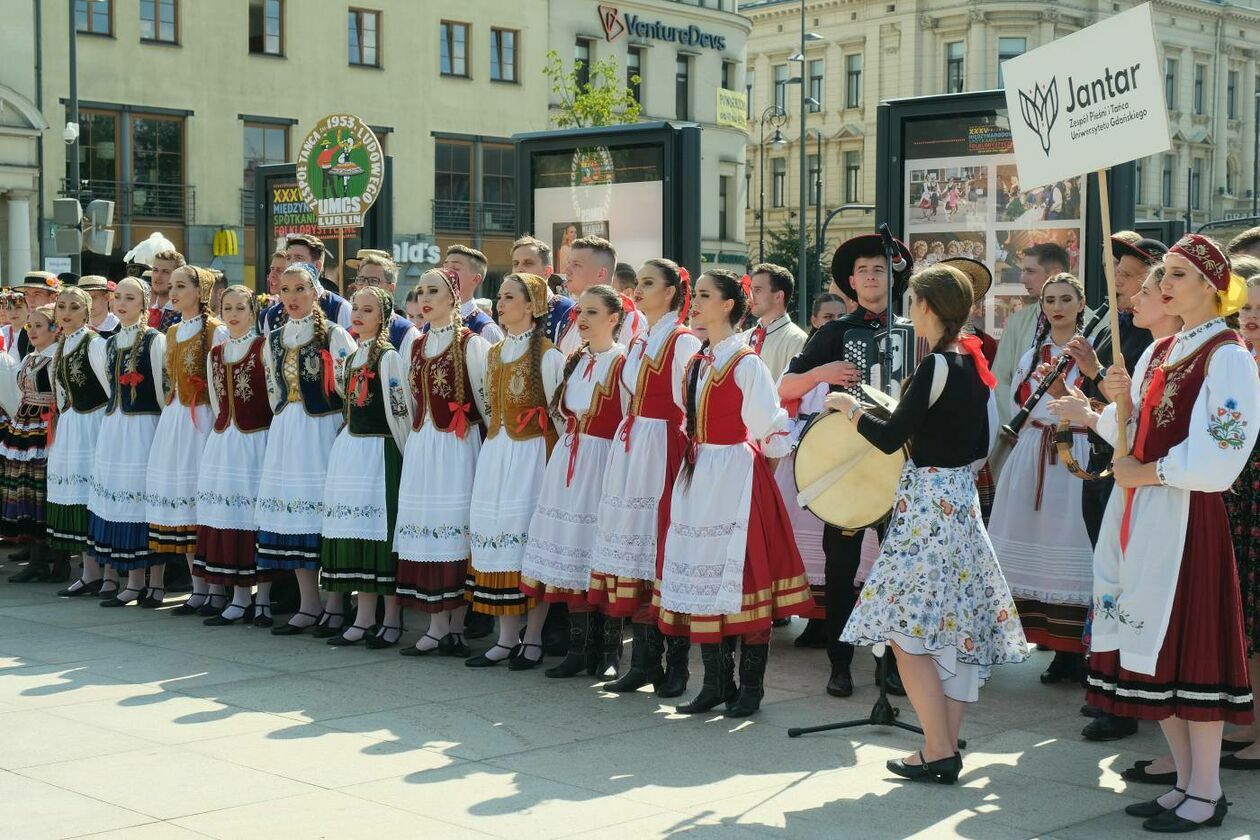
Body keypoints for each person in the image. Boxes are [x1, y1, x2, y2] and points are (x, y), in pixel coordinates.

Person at [1065, 235, 1258, 831]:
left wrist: (1147, 473)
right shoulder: (1161, 351)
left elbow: (1225, 450)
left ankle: (1206, 791)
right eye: (1164, 272)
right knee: (1152, 652)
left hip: (1185, 518)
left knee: (1189, 655)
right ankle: (1184, 781)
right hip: (1139, 513)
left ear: (1212, 286)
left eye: (1180, 273)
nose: (1166, 282)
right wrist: (1101, 413)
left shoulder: (1227, 353)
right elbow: (1136, 437)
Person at [829, 263, 1027, 784]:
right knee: (954, 629)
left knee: (904, 629)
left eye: (912, 302)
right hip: (957, 502)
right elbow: (978, 444)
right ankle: (940, 748)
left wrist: (850, 409)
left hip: (927, 506)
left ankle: (939, 748)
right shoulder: (970, 361)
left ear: (926, 307)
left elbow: (892, 436)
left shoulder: (938, 364)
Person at [656, 269, 812, 718]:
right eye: (696, 295)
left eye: (705, 296)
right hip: (699, 473)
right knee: (703, 573)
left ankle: (750, 688)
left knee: (742, 578)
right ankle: (715, 683)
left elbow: (772, 432)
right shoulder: (697, 362)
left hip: (736, 479)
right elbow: (688, 424)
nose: (696, 303)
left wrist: (754, 482)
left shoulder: (746, 363)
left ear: (728, 305)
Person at [780, 233, 915, 698]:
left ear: (893, 275)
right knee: (841, 568)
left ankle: (894, 663)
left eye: (880, 269)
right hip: (847, 465)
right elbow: (785, 388)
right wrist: (824, 374)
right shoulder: (834, 332)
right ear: (850, 282)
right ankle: (839, 663)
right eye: (863, 271)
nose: (872, 277)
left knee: (898, 568)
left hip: (900, 465)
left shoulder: (914, 330)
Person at [1059, 236, 1165, 743]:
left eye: (1127, 275)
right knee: (1106, 580)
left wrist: (1092, 374)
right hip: (1104, 465)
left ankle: (1123, 700)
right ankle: (1107, 684)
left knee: (1127, 584)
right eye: (1116, 274)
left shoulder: (1151, 334)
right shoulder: (1119, 323)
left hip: (1133, 472)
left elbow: (1135, 412)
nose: (1118, 285)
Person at [590, 259, 700, 696]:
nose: (639, 289)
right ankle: (643, 662)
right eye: (638, 282)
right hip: (635, 446)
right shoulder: (640, 340)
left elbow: (690, 408)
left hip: (663, 448)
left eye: (649, 283)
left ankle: (676, 667)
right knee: (637, 557)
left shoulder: (683, 340)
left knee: (661, 553)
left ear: (672, 292)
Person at [986, 273, 1096, 685]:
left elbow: (1096, 402)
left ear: (1080, 303)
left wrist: (1065, 392)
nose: (1057, 307)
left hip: (1072, 453)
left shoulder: (1091, 351)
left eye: (1066, 299)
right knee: (1027, 543)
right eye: (1050, 299)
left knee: (1069, 545)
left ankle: (1073, 652)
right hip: (1032, 451)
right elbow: (1019, 400)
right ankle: (1044, 642)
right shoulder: (1033, 352)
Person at [521, 285, 629, 679]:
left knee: (600, 553)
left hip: (603, 462)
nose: (582, 318)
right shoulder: (575, 359)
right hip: (570, 459)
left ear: (614, 319)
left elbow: (630, 418)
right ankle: (579, 647)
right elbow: (559, 414)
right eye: (580, 311)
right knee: (572, 550)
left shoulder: (623, 362)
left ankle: (610, 649)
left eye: (593, 312)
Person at [465, 272, 564, 669]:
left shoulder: (548, 353)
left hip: (532, 457)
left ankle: (533, 638)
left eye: (509, 297)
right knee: (497, 539)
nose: (500, 304)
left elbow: (560, 416)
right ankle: (506, 638)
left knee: (527, 543)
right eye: (500, 297)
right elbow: (489, 406)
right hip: (498, 453)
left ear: (532, 305)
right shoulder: (494, 352)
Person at [394, 267, 490, 657]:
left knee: (454, 528)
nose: (425, 298)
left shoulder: (472, 343)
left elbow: (485, 404)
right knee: (427, 526)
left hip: (457, 447)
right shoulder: (415, 344)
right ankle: (438, 624)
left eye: (434, 290)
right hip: (424, 445)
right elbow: (407, 400)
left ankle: (453, 626)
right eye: (420, 291)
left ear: (453, 296)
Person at [257, 262, 357, 635]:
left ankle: (334, 604)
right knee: (294, 517)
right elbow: (272, 387)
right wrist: (284, 416)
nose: (293, 297)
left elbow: (350, 389)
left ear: (316, 292)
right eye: (286, 290)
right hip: (289, 430)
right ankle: (308, 602)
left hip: (323, 429)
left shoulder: (334, 335)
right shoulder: (275, 338)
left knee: (324, 516)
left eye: (300, 289)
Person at [320, 286, 411, 649]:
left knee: (382, 536)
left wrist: (404, 457)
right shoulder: (354, 354)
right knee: (358, 533)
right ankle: (363, 616)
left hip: (381, 452)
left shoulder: (387, 357)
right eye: (355, 308)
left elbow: (400, 410)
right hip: (354, 452)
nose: (357, 315)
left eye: (368, 310)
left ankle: (391, 619)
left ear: (384, 316)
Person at [149, 266, 228, 615]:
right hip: (177, 420)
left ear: (201, 291)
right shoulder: (172, 331)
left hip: (204, 421)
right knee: (182, 505)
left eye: (181, 285)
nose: (173, 290)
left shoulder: (215, 331)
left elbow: (222, 384)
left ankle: (218, 588)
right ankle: (198, 589)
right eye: (172, 285)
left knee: (204, 505)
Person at [195, 286, 273, 626]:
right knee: (227, 515)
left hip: (257, 442)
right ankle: (238, 595)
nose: (233, 313)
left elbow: (273, 394)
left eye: (240, 307)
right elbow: (215, 399)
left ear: (253, 311)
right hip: (225, 442)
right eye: (227, 307)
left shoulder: (263, 347)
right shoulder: (217, 352)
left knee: (256, 519)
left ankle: (264, 599)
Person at [89, 278, 167, 607]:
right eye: (118, 297)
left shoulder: (154, 340)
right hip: (116, 428)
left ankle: (154, 582)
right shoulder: (108, 343)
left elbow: (163, 392)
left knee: (145, 503)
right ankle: (128, 579)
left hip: (144, 427)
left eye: (130, 298)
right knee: (118, 500)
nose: (121, 303)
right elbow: (109, 388)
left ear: (144, 303)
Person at [777, 292, 846, 650]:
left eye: (840, 315)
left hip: (837, 455)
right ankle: (810, 618)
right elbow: (786, 392)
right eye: (827, 316)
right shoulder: (804, 359)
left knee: (830, 543)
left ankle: (829, 620)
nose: (834, 321)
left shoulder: (852, 359)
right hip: (802, 450)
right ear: (815, 321)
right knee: (802, 536)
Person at [43, 288, 112, 594]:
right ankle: (89, 572)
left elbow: (112, 391)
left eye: (73, 307)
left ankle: (106, 574)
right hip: (71, 426)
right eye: (61, 307)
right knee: (77, 495)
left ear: (86, 311)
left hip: (93, 425)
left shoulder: (94, 343)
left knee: (95, 498)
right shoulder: (64, 343)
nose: (66, 312)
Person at [2, 304, 64, 582]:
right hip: (26, 427)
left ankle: (57, 559)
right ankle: (36, 556)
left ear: (55, 329)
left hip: (46, 428)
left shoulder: (56, 358)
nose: (33, 330)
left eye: (40, 325)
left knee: (48, 491)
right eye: (31, 326)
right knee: (28, 491)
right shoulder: (30, 358)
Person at [991, 243, 1072, 434]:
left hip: (1075, 437)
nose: (1022, 278)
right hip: (1023, 436)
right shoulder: (1017, 322)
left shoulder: (1098, 325)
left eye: (1030, 271)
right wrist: (1013, 424)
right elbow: (1000, 379)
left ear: (1055, 273)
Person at [557, 236, 644, 353]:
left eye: (576, 264)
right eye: (568, 263)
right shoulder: (568, 316)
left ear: (601, 273)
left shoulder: (630, 319)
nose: (566, 270)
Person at [260, 234, 352, 332]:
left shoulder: (340, 308)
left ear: (317, 266)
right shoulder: (271, 315)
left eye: (299, 258)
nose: (291, 263)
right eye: (288, 258)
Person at [745, 262, 808, 388]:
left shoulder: (797, 339)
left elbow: (794, 391)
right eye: (751, 290)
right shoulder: (745, 336)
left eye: (758, 290)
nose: (751, 296)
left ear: (779, 296)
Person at [347, 249, 419, 352]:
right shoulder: (349, 333)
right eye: (361, 280)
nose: (365, 286)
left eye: (374, 281)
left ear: (390, 289)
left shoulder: (406, 333)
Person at [510, 235, 576, 346]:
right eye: (515, 264)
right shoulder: (510, 308)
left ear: (547, 271)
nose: (519, 269)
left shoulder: (567, 310)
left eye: (528, 263)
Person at [444, 244, 505, 344]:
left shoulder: (485, 328)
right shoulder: (431, 322)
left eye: (455, 268)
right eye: (445, 267)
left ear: (476, 278)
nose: (446, 273)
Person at [148, 250, 184, 331]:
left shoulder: (185, 316)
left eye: (165, 271)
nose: (158, 276)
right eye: (155, 270)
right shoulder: (144, 313)